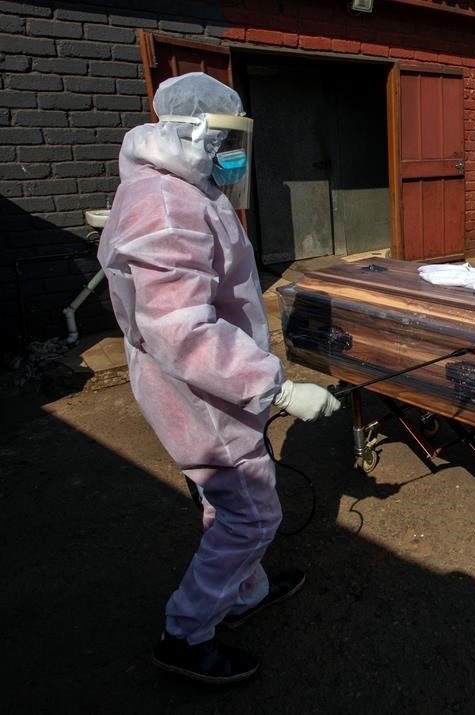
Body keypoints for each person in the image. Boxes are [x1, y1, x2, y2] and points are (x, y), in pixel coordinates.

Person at [99, 72, 340, 685]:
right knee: (254, 515)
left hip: (208, 384)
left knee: (224, 501)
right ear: (195, 133)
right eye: (225, 140)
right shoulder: (164, 205)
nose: (233, 155)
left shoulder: (184, 187)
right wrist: (277, 387)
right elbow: (182, 329)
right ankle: (185, 633)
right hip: (198, 390)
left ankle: (245, 590)